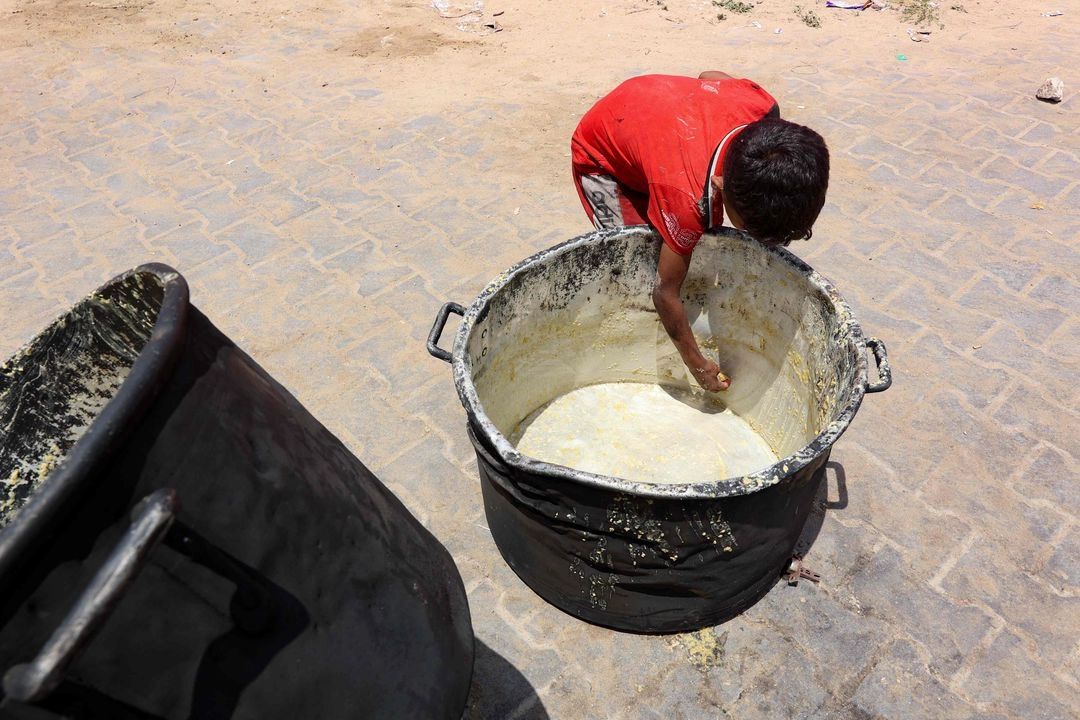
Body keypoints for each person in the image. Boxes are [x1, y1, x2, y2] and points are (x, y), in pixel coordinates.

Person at [571, 71, 830, 391]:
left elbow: (709, 77)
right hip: (604, 159)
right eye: (747, 227)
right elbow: (664, 291)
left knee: (678, 247)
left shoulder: (760, 106)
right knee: (640, 265)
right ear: (720, 186)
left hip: (652, 110)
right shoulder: (688, 201)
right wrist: (696, 363)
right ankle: (632, 353)